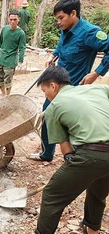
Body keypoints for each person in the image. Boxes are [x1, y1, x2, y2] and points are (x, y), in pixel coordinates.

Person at [27, 0, 109, 162]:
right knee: (47, 116)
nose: (58, 22)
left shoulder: (90, 33)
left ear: (73, 14)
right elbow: (61, 46)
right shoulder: (66, 28)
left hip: (74, 89)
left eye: (61, 18)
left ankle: (80, 161)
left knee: (73, 123)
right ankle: (46, 153)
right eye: (57, 18)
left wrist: (96, 73)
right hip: (56, 85)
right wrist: (54, 54)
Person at [34, 66, 109, 234]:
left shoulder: (53, 108)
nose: (46, 96)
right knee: (98, 189)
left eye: (45, 91)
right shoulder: (99, 89)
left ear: (53, 86)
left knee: (52, 194)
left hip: (92, 154)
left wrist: (74, 166)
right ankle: (92, 229)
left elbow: (65, 147)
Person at [0, 10, 26, 96]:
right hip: (1, 58)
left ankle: (7, 96)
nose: (13, 21)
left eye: (15, 19)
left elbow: (22, 48)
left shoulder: (21, 33)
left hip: (11, 60)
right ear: (9, 19)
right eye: (11, 19)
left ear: (18, 19)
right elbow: (0, 42)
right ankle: (3, 94)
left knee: (8, 80)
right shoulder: (4, 29)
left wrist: (20, 61)